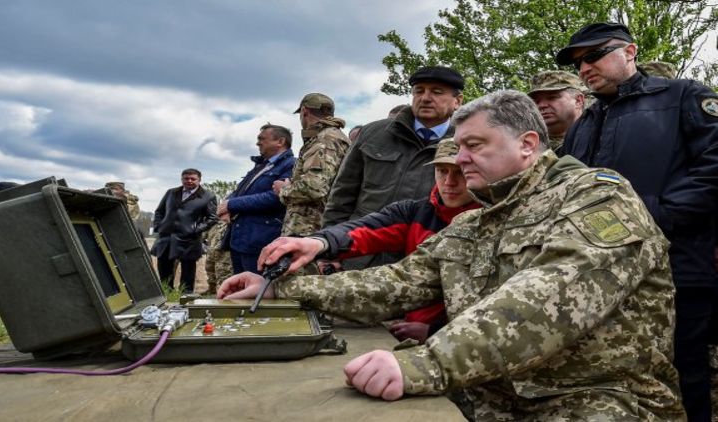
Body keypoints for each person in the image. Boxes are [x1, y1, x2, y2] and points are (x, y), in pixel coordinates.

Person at [219, 90, 685, 420]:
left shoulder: (596, 196)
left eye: (473, 146)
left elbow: (549, 300)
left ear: (527, 144)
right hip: (490, 393)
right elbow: (395, 283)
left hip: (593, 398)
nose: (459, 160)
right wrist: (283, 286)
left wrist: (426, 364)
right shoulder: (474, 223)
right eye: (458, 147)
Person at [556, 22, 718, 421]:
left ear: (629, 52)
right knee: (616, 379)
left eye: (593, 55)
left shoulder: (683, 96)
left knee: (684, 376)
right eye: (578, 63)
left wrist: (654, 213)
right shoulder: (584, 124)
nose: (585, 68)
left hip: (676, 268)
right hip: (600, 275)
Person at [262, 139, 479, 343]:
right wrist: (317, 243)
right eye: (442, 171)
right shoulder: (414, 212)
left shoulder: (487, 222)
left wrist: (436, 330)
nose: (449, 182)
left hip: (462, 341)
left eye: (459, 172)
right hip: (412, 328)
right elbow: (362, 231)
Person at [322, 66, 464, 270]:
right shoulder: (373, 134)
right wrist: (331, 249)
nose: (425, 98)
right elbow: (341, 196)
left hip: (424, 263)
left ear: (457, 101)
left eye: (437, 92)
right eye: (419, 91)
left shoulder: (466, 142)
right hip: (360, 255)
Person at [219, 124, 296, 274]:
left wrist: (232, 204)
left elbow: (276, 197)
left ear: (280, 141)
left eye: (262, 139)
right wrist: (226, 206)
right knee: (240, 285)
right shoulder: (260, 166)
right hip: (240, 240)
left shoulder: (291, 165)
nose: (257, 143)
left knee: (256, 285)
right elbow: (239, 191)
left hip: (261, 241)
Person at [273, 93, 350, 237]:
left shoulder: (324, 139)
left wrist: (283, 189)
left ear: (304, 111)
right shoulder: (333, 137)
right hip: (318, 229)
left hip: (309, 230)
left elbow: (315, 188)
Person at [151, 168, 217, 293]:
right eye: (186, 178)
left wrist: (195, 229)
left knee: (188, 272)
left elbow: (212, 218)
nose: (189, 181)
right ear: (182, 179)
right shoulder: (171, 192)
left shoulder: (208, 196)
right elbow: (159, 211)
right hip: (166, 237)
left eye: (193, 179)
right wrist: (159, 226)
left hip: (189, 239)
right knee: (164, 270)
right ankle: (166, 294)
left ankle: (186, 298)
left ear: (199, 180)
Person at [526, 70, 585, 153]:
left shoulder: (599, 135)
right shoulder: (527, 147)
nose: (541, 105)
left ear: (578, 101)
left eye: (552, 97)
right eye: (536, 101)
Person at [204, 220, 233, 295]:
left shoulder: (229, 223)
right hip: (211, 251)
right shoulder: (212, 223)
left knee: (223, 271)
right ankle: (212, 289)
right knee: (209, 268)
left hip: (223, 253)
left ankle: (226, 291)